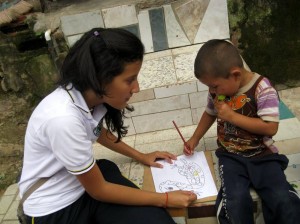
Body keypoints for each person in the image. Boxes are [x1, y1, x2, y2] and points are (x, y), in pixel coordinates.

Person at [18, 27, 197, 224]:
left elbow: (98, 132)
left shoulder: (86, 97)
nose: (136, 88)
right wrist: (165, 199)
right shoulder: (62, 119)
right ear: (100, 78)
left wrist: (141, 156)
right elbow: (100, 190)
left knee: (148, 212)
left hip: (81, 187)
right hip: (56, 210)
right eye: (130, 80)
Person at [184, 39, 300, 224]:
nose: (212, 91)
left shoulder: (262, 89)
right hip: (230, 156)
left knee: (283, 201)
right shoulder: (219, 91)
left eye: (214, 86)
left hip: (263, 155)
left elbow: (271, 127)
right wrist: (195, 138)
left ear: (235, 75)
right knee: (235, 202)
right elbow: (210, 113)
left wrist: (231, 116)